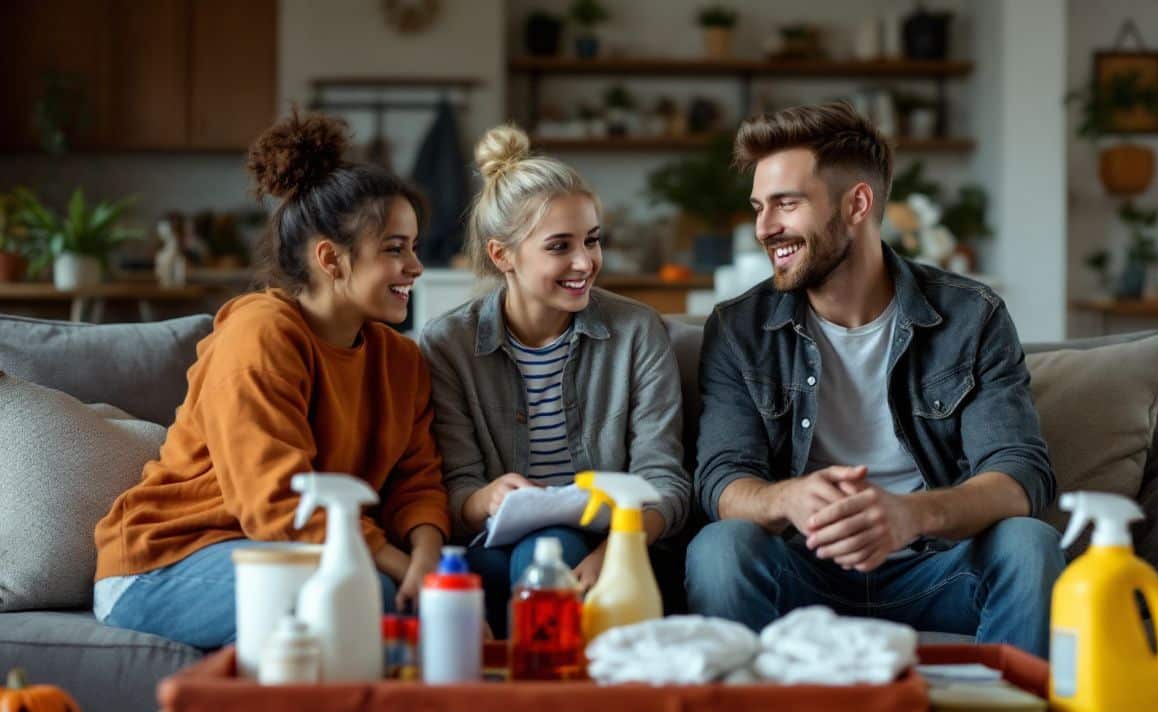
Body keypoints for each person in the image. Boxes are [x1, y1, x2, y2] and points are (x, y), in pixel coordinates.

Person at [686, 102, 1063, 657]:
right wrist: (787, 498)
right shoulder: (740, 329)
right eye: (759, 207)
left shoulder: (970, 316)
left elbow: (1019, 475)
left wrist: (911, 515)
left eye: (786, 204)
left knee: (1030, 545)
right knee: (721, 548)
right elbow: (721, 481)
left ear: (857, 203)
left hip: (934, 571)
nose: (765, 228)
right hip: (802, 572)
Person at [92, 112, 450, 648]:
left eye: (414, 247)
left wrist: (428, 562)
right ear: (331, 258)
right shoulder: (261, 334)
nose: (416, 266)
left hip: (294, 551)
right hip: (163, 564)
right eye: (395, 249)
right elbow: (277, 502)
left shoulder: (400, 360)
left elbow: (416, 482)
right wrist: (399, 568)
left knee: (427, 603)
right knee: (363, 596)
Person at [419, 124, 690, 637]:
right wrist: (488, 498)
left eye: (591, 241)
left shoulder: (637, 332)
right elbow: (454, 489)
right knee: (496, 567)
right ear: (503, 257)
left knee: (552, 551)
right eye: (559, 246)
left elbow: (666, 483)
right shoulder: (448, 345)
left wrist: (615, 552)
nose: (585, 263)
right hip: (494, 553)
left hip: (613, 547)